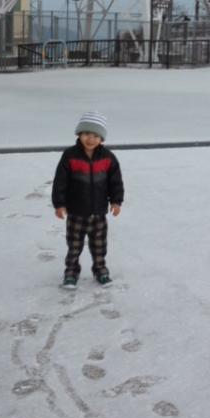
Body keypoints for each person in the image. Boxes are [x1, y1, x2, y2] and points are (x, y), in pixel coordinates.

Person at [52, 110, 124, 289]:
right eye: (86, 134)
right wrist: (59, 204)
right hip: (76, 211)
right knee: (74, 246)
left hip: (99, 212)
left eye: (95, 135)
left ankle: (100, 270)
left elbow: (115, 182)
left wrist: (116, 201)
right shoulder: (70, 155)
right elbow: (60, 181)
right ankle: (71, 272)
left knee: (99, 246)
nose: (90, 139)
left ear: (101, 139)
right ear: (79, 134)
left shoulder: (108, 158)